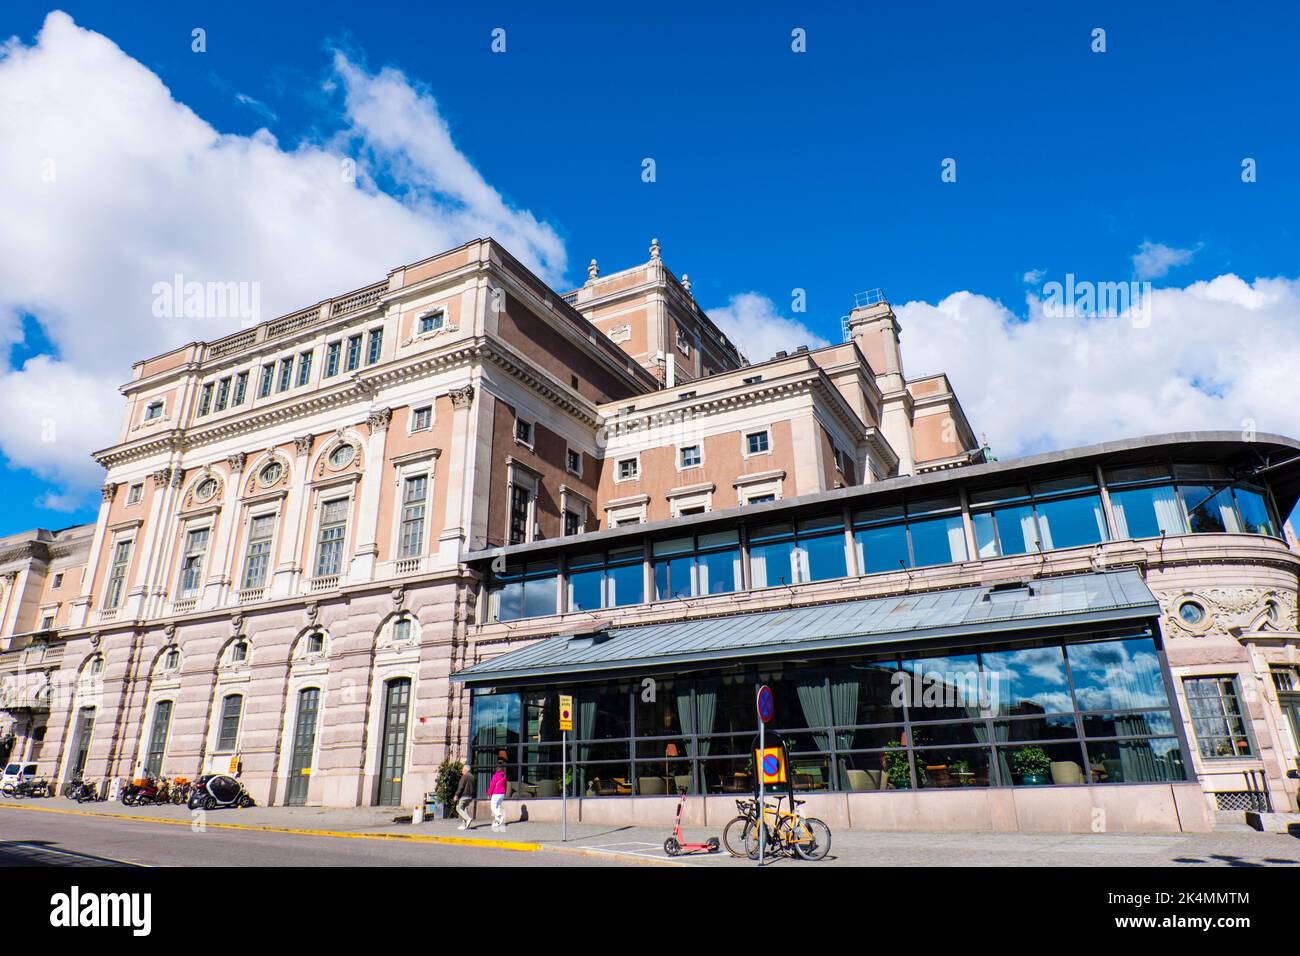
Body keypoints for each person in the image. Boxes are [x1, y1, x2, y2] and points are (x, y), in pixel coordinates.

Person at [453, 759, 476, 830]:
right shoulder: (472, 777)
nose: (462, 771)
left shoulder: (464, 776)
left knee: (458, 808)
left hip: (464, 795)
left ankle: (468, 819)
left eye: (462, 769)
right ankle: (464, 825)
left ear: (466, 770)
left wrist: (456, 795)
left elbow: (461, 786)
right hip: (470, 796)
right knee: (464, 809)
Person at [487, 760, 508, 831]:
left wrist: (489, 793)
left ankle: (500, 816)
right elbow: (505, 785)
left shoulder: (495, 776)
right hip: (502, 793)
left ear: (497, 769)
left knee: (493, 807)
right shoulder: (504, 776)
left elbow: (492, 785)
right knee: (498, 806)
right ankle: (497, 821)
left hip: (496, 793)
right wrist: (505, 792)